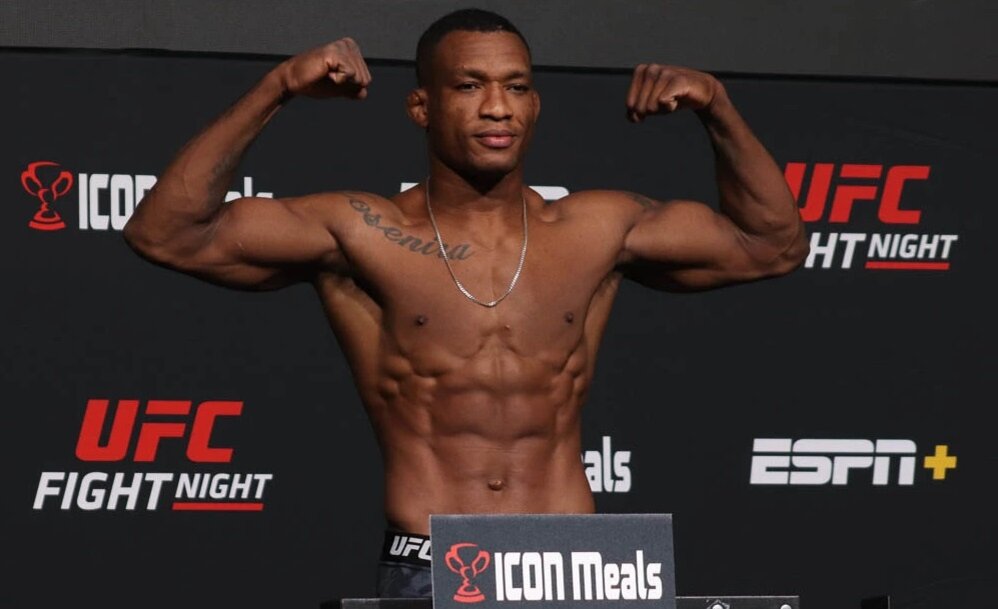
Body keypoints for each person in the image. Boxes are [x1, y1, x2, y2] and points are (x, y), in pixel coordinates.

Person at [122, 7, 809, 598]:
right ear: (421, 106)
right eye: (470, 86)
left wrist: (717, 106)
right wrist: (276, 89)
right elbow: (166, 234)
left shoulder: (597, 229)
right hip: (437, 565)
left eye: (517, 87)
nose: (497, 107)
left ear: (535, 105)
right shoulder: (362, 232)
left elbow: (772, 245)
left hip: (576, 563)